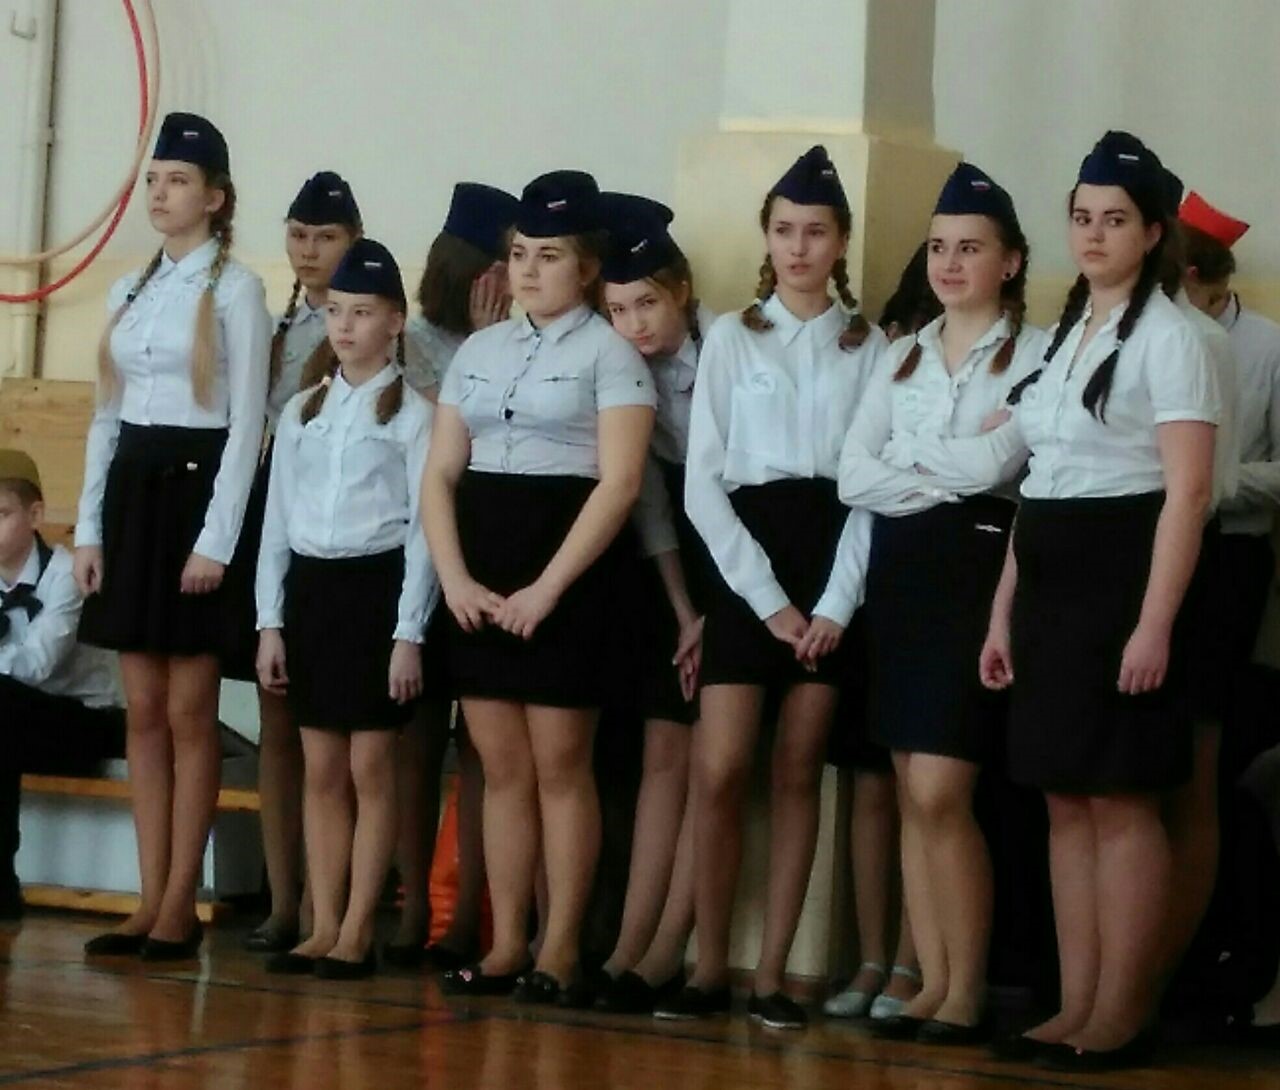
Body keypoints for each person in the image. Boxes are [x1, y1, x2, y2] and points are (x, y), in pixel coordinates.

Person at [657, 146, 886, 1030]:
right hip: (746, 564)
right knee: (719, 769)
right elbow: (702, 486)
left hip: (831, 560)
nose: (798, 248)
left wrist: (830, 607)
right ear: (767, 238)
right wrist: (770, 604)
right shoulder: (731, 338)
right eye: (784, 230)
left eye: (815, 232)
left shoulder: (872, 348)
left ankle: (774, 974)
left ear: (841, 242)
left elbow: (869, 490)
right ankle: (709, 963)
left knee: (797, 771)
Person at [423, 170, 656, 1006]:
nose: (528, 269)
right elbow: (440, 473)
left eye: (548, 256)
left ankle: (560, 948)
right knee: (501, 767)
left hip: (569, 573)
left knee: (562, 765)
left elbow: (621, 483)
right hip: (483, 568)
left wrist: (548, 590)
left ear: (586, 267)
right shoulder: (478, 352)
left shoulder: (611, 354)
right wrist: (455, 578)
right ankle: (506, 941)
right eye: (520, 253)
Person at [75, 112, 271, 960]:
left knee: (191, 711)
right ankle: (148, 897)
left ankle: (181, 903)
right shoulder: (130, 287)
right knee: (144, 710)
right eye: (154, 180)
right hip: (134, 495)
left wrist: (217, 541)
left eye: (179, 181)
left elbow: (248, 423)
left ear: (215, 198)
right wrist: (90, 528)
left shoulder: (237, 291)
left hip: (196, 496)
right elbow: (106, 417)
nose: (160, 194)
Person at [256, 238, 436, 980]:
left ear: (395, 321)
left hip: (376, 591)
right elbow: (276, 524)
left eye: (363, 313)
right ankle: (322, 922)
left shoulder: (414, 415)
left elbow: (425, 534)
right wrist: (270, 622)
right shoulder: (303, 409)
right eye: (336, 312)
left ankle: (360, 925)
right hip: (314, 593)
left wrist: (408, 632)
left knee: (370, 764)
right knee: (320, 765)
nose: (346, 327)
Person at [0, 450, 126, 921]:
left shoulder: (67, 578)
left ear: (35, 516)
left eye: (1, 514)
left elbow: (36, 665)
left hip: (85, 723)